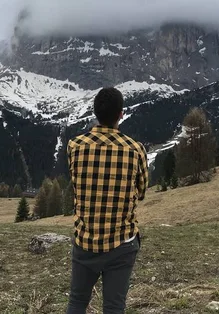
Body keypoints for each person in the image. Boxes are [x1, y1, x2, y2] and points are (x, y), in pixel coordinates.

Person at [66, 87, 148, 314]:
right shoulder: (135, 149)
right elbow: (141, 191)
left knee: (77, 301)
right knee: (114, 307)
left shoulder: (75, 146)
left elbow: (75, 184)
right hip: (122, 242)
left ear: (95, 113)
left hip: (85, 240)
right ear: (121, 114)